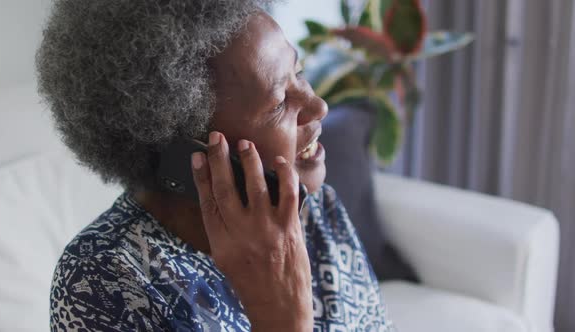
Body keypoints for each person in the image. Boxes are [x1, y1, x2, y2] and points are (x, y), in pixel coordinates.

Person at [38, 0, 395, 331]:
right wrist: (281, 318)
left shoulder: (311, 209)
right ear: (187, 154)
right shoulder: (101, 280)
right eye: (277, 103)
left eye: (298, 72)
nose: (318, 107)